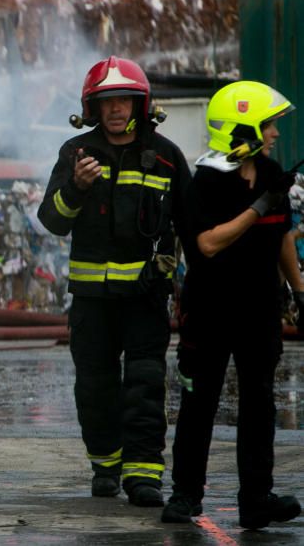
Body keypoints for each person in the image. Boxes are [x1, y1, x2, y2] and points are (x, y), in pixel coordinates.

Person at [38, 56, 191, 506]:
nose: (116, 109)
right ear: (93, 108)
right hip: (91, 300)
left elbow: (190, 220)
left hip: (145, 295)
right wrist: (76, 189)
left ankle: (143, 476)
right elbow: (52, 220)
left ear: (140, 104)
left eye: (124, 99)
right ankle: (105, 465)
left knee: (146, 383)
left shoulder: (165, 156)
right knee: (95, 386)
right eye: (107, 102)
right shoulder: (75, 154)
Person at [161, 80, 301, 529]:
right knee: (199, 400)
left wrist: (300, 291)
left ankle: (257, 498)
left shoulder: (271, 170)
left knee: (259, 403)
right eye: (269, 124)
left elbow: (282, 236)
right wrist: (259, 206)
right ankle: (186, 495)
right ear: (243, 127)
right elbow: (206, 244)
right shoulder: (205, 182)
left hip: (259, 308)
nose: (275, 133)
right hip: (211, 309)